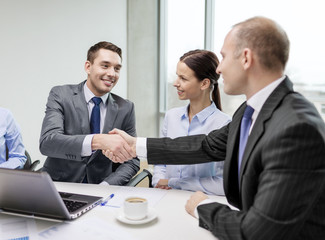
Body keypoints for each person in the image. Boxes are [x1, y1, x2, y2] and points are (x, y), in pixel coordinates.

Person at [104, 17, 325, 239]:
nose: (219, 68)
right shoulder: (248, 111)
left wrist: (202, 206)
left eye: (225, 56)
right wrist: (136, 145)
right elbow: (206, 145)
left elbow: (258, 232)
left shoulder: (297, 128)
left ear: (246, 58)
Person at [39, 41, 139, 185]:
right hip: (58, 187)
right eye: (105, 66)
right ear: (88, 66)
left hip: (100, 191)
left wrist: (106, 186)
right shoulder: (61, 95)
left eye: (117, 68)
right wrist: (98, 141)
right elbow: (48, 142)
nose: (111, 74)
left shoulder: (126, 108)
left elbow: (132, 161)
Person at [153, 49, 231, 195]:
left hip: (200, 202)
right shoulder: (171, 117)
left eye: (183, 78)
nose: (175, 83)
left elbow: (223, 182)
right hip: (166, 196)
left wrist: (174, 183)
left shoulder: (224, 124)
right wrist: (158, 180)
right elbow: (160, 161)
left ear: (204, 84)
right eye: (177, 77)